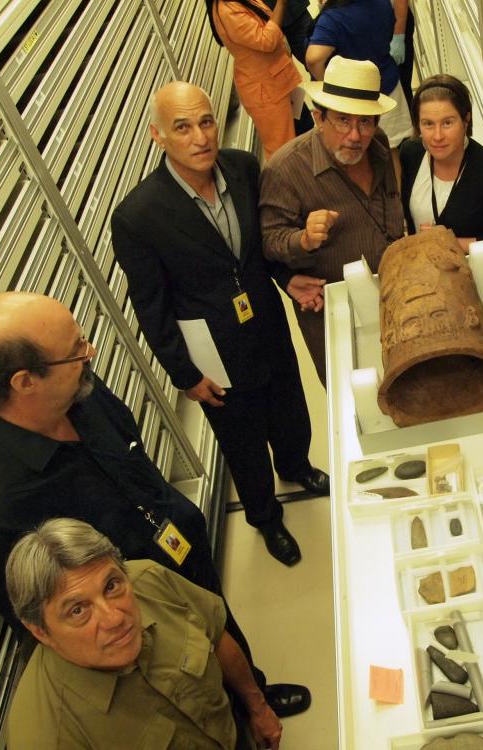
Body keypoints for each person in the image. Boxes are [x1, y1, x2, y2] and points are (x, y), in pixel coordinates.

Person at [0, 291, 311, 718]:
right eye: (76, 351)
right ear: (25, 381)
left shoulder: (80, 391)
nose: (91, 352)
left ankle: (254, 694)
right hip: (139, 624)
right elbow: (45, 625)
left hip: (182, 559)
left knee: (219, 627)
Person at [112, 82, 329, 568]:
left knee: (291, 409)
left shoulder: (244, 167)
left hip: (268, 325)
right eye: (182, 127)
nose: (200, 137)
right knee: (243, 442)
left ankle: (297, 466)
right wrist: (185, 376)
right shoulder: (138, 216)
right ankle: (266, 517)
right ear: (158, 135)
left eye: (206, 122)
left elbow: (261, 248)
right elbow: (152, 307)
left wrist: (287, 278)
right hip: (214, 351)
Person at [6, 518, 280, 750]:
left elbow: (216, 636)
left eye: (112, 585)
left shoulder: (149, 579)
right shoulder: (44, 735)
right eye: (78, 610)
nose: (114, 618)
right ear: (41, 631)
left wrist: (258, 708)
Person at [260, 57, 405, 384]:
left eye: (366, 122)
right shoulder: (285, 171)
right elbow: (269, 243)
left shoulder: (378, 144)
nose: (355, 135)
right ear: (318, 117)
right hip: (336, 315)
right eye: (342, 120)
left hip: (393, 297)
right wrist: (304, 240)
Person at [399, 74, 483, 252]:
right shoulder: (410, 153)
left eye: (447, 123)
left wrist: (449, 242)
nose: (437, 136)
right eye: (428, 124)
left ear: (466, 119)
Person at [304, 0, 413, 150]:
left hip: (350, 103)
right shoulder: (382, 3)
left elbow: (313, 59)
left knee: (352, 157)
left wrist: (329, 85)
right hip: (387, 91)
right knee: (390, 152)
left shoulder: (333, 19)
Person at [205, 0, 304, 159]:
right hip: (266, 91)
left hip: (279, 80)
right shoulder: (226, 11)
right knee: (283, 152)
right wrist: (281, 4)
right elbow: (267, 40)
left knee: (303, 131)